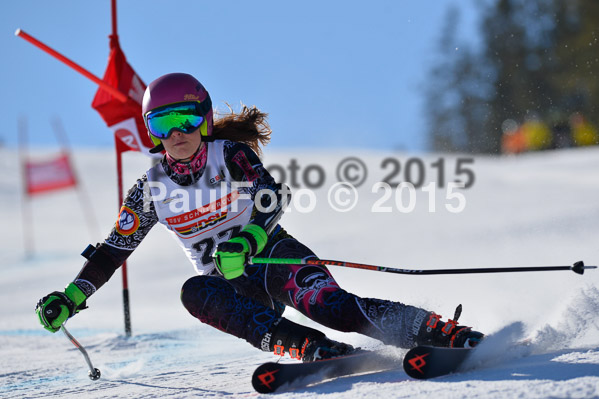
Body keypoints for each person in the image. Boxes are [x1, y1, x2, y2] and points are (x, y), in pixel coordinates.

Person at [35, 73, 483, 362]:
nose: (176, 135)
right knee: (194, 291)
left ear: (204, 121)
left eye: (186, 121)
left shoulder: (228, 154)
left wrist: (248, 242)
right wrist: (72, 296)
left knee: (331, 307)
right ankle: (305, 346)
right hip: (234, 288)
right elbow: (114, 250)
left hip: (272, 256)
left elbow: (272, 194)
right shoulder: (150, 189)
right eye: (161, 125)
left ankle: (435, 331)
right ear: (151, 132)